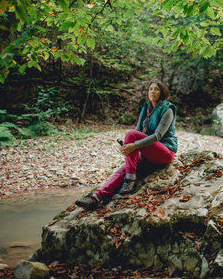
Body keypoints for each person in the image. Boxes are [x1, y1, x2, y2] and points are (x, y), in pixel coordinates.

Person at [76, 81, 178, 209]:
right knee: (124, 169)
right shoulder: (146, 108)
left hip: (165, 152)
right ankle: (96, 197)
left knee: (131, 136)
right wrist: (127, 146)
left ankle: (130, 180)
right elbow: (137, 132)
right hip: (149, 154)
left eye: (156, 89)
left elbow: (158, 136)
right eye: (150, 89)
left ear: (162, 92)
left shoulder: (168, 109)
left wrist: (134, 145)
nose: (152, 91)